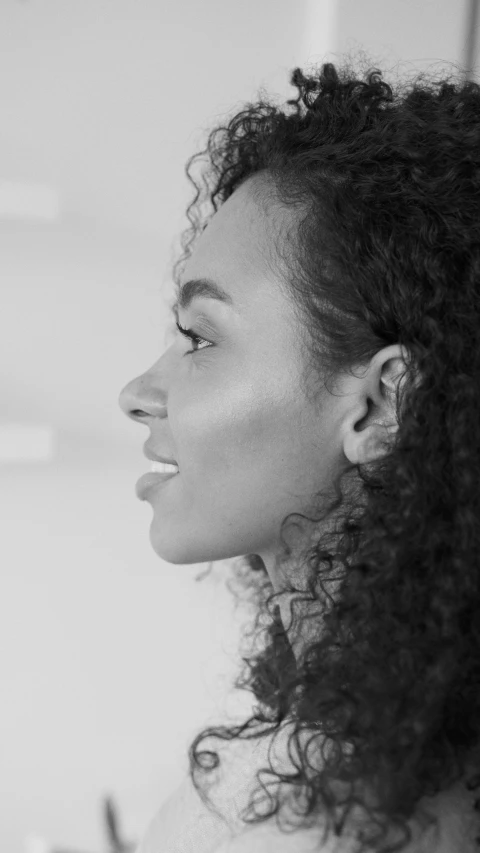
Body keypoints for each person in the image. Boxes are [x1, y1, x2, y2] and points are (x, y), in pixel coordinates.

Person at [118, 50, 480, 852]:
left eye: (199, 338)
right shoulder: (427, 765)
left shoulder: (286, 818)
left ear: (382, 403)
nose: (138, 392)